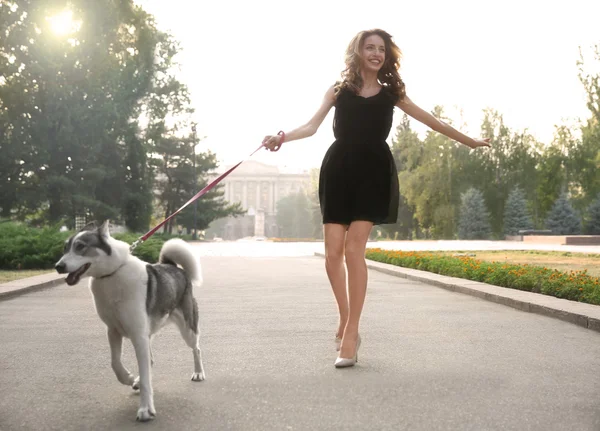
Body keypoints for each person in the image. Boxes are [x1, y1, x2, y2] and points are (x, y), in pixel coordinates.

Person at [262, 29, 490, 368]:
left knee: (354, 250)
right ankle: (345, 315)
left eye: (381, 49)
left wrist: (469, 141)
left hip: (373, 173)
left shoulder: (392, 94)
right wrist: (281, 136)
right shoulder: (339, 91)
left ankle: (351, 335)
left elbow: (433, 121)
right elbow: (311, 127)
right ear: (357, 52)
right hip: (338, 170)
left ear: (387, 55)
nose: (376, 53)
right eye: (369, 47)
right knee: (331, 254)